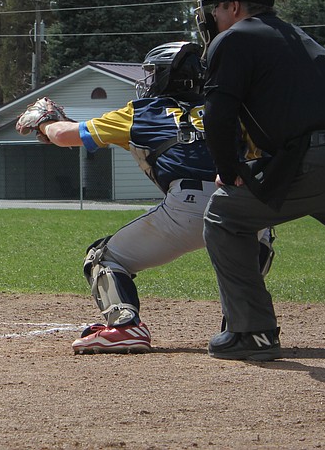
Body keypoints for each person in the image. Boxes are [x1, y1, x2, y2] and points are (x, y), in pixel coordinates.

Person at [16, 41, 274, 355]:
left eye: (154, 72)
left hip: (187, 208)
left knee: (103, 257)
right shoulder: (228, 108)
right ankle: (246, 325)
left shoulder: (142, 112)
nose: (149, 80)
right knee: (260, 236)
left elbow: (64, 136)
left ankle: (125, 327)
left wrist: (47, 119)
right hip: (245, 204)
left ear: (167, 76)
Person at [197, 0, 325, 361]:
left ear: (234, 6)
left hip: (316, 161)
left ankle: (251, 332)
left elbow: (218, 114)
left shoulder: (234, 38)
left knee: (226, 218)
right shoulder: (299, 37)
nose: (213, 16)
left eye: (217, 8)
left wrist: (227, 167)